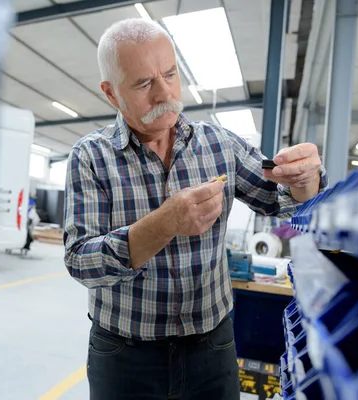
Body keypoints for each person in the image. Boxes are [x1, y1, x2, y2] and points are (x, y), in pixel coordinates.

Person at [63, 18, 327, 400]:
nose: (163, 93)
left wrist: (307, 182)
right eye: (143, 84)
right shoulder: (90, 157)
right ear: (111, 93)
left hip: (211, 349)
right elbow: (79, 260)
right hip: (124, 354)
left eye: (169, 74)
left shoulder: (221, 145)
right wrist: (164, 223)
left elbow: (283, 201)